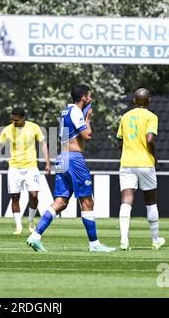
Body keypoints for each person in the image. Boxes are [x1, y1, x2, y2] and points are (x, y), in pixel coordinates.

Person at [26, 84, 115, 253]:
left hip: (62, 158)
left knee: (60, 202)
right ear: (83, 98)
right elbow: (87, 136)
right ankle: (94, 244)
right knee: (87, 202)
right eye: (88, 96)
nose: (90, 99)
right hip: (74, 160)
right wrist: (88, 118)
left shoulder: (65, 111)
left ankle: (35, 236)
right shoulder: (76, 111)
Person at [116, 88, 165, 251]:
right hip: (145, 163)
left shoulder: (125, 116)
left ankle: (124, 240)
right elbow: (150, 139)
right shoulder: (151, 117)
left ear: (134, 101)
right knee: (151, 202)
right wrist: (154, 156)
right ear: (149, 100)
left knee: (126, 200)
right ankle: (155, 239)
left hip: (127, 163)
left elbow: (120, 142)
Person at [0, 107, 51, 234]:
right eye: (12, 119)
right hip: (14, 167)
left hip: (31, 167)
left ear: (23, 118)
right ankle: (18, 227)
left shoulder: (34, 127)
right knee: (15, 197)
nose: (14, 122)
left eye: (16, 120)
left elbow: (43, 144)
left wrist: (47, 162)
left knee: (34, 195)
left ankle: (31, 220)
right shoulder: (7, 129)